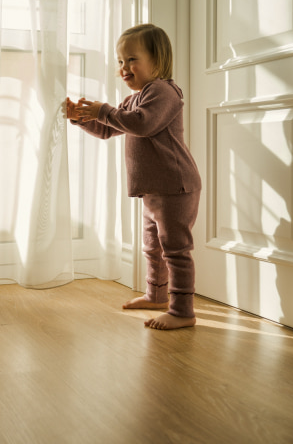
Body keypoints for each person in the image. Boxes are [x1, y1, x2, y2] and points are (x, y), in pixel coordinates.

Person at [65, 24, 201, 331]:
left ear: (158, 60)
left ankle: (182, 311)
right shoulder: (135, 97)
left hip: (175, 186)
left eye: (132, 59)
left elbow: (142, 124)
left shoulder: (164, 92)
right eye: (120, 61)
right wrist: (81, 118)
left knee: (176, 250)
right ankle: (156, 295)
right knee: (153, 247)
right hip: (154, 190)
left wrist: (103, 110)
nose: (124, 68)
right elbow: (108, 128)